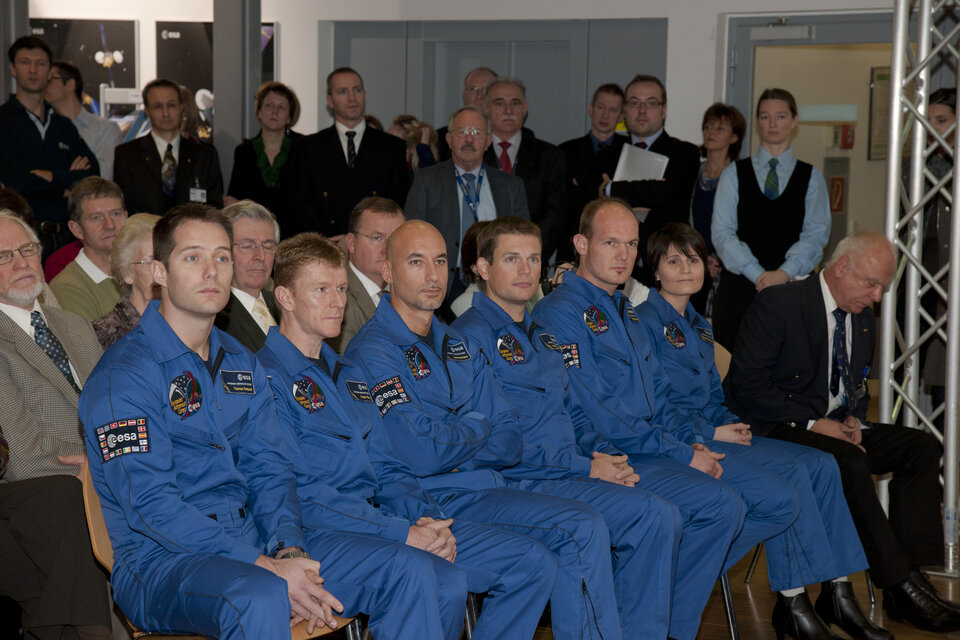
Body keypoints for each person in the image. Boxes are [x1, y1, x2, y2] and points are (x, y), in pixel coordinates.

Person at [80, 203, 454, 638]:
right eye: (193, 257)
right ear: (159, 272)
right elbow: (153, 509)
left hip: (255, 541)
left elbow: (271, 471)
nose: (212, 271)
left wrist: (289, 551)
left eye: (222, 257)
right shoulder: (124, 375)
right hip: (163, 561)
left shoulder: (240, 361)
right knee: (260, 595)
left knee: (416, 571)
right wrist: (265, 566)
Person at [258, 232, 559, 640]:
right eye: (321, 289)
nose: (337, 301)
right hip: (317, 532)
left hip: (380, 518)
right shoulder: (267, 378)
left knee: (489, 570)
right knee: (424, 576)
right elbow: (301, 494)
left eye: (342, 288)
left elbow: (386, 465)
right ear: (286, 298)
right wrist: (402, 533)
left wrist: (428, 520)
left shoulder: (346, 374)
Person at [345, 219, 634, 639]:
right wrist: (478, 425)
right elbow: (421, 451)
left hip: (485, 485)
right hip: (432, 500)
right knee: (573, 532)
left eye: (440, 261)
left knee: (554, 548)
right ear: (387, 272)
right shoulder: (374, 350)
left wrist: (458, 433)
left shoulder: (454, 344)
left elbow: (510, 437)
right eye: (416, 262)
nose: (432, 275)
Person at [532, 198, 806, 640]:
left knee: (728, 504)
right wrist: (680, 450)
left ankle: (660, 618)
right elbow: (597, 411)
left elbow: (657, 399)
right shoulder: (560, 312)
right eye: (610, 243)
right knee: (714, 505)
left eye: (630, 244)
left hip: (646, 446)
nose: (623, 255)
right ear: (581, 244)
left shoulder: (624, 311)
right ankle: (648, 622)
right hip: (603, 455)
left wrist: (690, 442)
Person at [636, 222, 888, 640]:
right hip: (683, 441)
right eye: (674, 261)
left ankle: (837, 590)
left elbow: (716, 395)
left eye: (694, 260)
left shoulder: (698, 324)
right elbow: (655, 409)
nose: (686, 269)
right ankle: (789, 599)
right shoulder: (643, 323)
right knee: (791, 479)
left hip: (715, 430)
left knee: (821, 465)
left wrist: (729, 423)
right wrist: (713, 431)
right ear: (655, 271)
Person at [452, 216, 697, 639]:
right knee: (587, 527)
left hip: (564, 469)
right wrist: (584, 469)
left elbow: (572, 413)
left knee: (656, 514)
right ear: (483, 268)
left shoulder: (538, 334)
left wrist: (603, 456)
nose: (527, 270)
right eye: (512, 259)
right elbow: (495, 445)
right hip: (517, 481)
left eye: (533, 258)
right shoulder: (467, 340)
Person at [725, 231, 960, 633]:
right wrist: (815, 423)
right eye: (872, 284)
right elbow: (746, 384)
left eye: (884, 287)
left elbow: (851, 382)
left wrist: (853, 418)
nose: (877, 297)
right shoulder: (780, 303)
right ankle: (897, 582)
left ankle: (912, 574)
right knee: (848, 461)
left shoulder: (861, 317)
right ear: (842, 267)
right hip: (778, 428)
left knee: (918, 446)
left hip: (833, 425)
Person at [0, 210, 113, 639]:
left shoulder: (75, 326)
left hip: (93, 479)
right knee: (67, 501)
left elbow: (115, 414)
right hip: (32, 492)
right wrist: (93, 473)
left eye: (27, 249)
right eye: (4, 256)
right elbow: (22, 459)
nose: (21, 262)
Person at [711, 87, 830, 349]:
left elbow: (816, 235)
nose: (772, 124)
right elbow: (722, 234)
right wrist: (759, 275)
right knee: (733, 376)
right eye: (765, 117)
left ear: (794, 121)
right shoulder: (733, 174)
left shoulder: (811, 177)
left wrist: (783, 274)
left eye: (781, 116)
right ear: (757, 122)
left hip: (793, 292)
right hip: (740, 295)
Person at [406, 105, 528, 300]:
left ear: (488, 141)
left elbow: (524, 242)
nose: (469, 139)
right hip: (443, 282)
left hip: (496, 283)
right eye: (462, 132)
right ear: (449, 139)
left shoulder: (510, 186)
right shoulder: (427, 181)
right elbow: (410, 236)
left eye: (476, 132)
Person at [0, 36, 100, 259]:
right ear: (12, 69)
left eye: (41, 63)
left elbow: (92, 173)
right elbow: (17, 183)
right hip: (22, 241)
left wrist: (51, 176)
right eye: (25, 62)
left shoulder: (62, 125)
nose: (33, 70)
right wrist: (66, 185)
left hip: (68, 238)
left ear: (49, 70)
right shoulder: (3, 121)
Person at [285, 67, 408, 240]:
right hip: (326, 245)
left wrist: (365, 238)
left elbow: (396, 201)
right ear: (330, 100)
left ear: (364, 94)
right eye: (342, 92)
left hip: (376, 244)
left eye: (357, 90)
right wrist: (332, 240)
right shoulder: (308, 147)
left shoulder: (392, 147)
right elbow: (301, 203)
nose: (352, 98)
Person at [598, 74, 700, 248]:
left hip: (665, 256)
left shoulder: (685, 153)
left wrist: (610, 189)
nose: (642, 111)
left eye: (651, 103)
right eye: (634, 103)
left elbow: (665, 194)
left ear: (664, 110)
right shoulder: (605, 155)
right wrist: (648, 193)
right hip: (612, 258)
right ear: (624, 110)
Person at [482, 77, 566, 262]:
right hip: (484, 256)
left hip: (532, 257)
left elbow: (555, 214)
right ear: (486, 108)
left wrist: (528, 250)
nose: (508, 110)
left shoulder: (550, 156)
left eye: (515, 103)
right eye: (499, 103)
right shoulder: (475, 154)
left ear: (525, 108)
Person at [113, 78, 224, 215]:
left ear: (181, 108)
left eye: (171, 105)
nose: (166, 113)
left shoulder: (204, 156)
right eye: (158, 106)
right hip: (144, 233)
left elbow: (214, 208)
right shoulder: (127, 155)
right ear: (147, 111)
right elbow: (124, 206)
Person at [915, 87, 956, 416]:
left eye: (941, 121)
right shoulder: (915, 167)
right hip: (922, 287)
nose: (932, 129)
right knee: (936, 380)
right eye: (927, 121)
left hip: (949, 288)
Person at [326, 197, 404, 354]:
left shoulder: (408, 291)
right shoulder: (336, 296)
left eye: (395, 239)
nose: (387, 248)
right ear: (351, 243)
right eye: (377, 238)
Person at [559, 83, 626, 263]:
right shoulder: (565, 152)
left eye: (613, 110)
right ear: (591, 108)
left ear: (621, 116)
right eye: (601, 107)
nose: (605, 115)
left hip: (617, 247)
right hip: (572, 245)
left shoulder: (628, 153)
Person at [690, 103, 746, 316]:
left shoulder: (740, 176)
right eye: (707, 127)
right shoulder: (692, 174)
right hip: (693, 264)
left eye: (719, 129)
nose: (711, 133)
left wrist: (722, 258)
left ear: (734, 137)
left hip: (729, 270)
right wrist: (697, 258)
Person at [49, 176, 127, 321]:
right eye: (96, 218)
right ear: (77, 229)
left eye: (116, 214)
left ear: (126, 218)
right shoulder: (67, 288)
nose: (109, 225)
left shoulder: (141, 268)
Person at [225, 81, 303, 214]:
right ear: (259, 112)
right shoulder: (244, 152)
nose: (274, 111)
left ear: (289, 116)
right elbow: (233, 198)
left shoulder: (304, 148)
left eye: (281, 107)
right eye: (269, 105)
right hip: (255, 230)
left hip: (297, 232)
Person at [214, 200, 280, 352]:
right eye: (247, 245)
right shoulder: (214, 315)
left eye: (268, 246)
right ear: (223, 253)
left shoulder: (285, 306)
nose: (260, 256)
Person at [45, 60, 123, 180]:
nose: (43, 84)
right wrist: (72, 176)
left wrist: (62, 178)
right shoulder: (43, 129)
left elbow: (102, 179)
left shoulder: (105, 129)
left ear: (70, 84)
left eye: (49, 80)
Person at [92, 213, 160, 348]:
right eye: (150, 262)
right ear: (127, 272)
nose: (160, 270)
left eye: (166, 260)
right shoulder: (103, 334)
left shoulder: (186, 325)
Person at [436, 66, 498, 161]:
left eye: (486, 90)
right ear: (464, 95)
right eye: (473, 89)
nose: (479, 96)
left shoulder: (508, 138)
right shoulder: (440, 140)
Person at [387, 114, 438, 183]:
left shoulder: (408, 176)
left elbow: (428, 184)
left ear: (411, 149)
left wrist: (424, 146)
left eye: (393, 143)